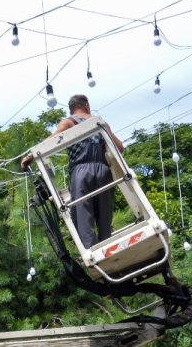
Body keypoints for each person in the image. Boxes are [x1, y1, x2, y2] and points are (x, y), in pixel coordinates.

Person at [23, 94, 126, 248]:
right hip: (104, 171)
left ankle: (93, 252)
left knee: (83, 216)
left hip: (81, 171)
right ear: (87, 105)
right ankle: (108, 247)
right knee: (104, 215)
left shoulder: (69, 122)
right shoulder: (100, 122)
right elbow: (120, 148)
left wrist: (30, 156)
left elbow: (52, 139)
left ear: (72, 109)